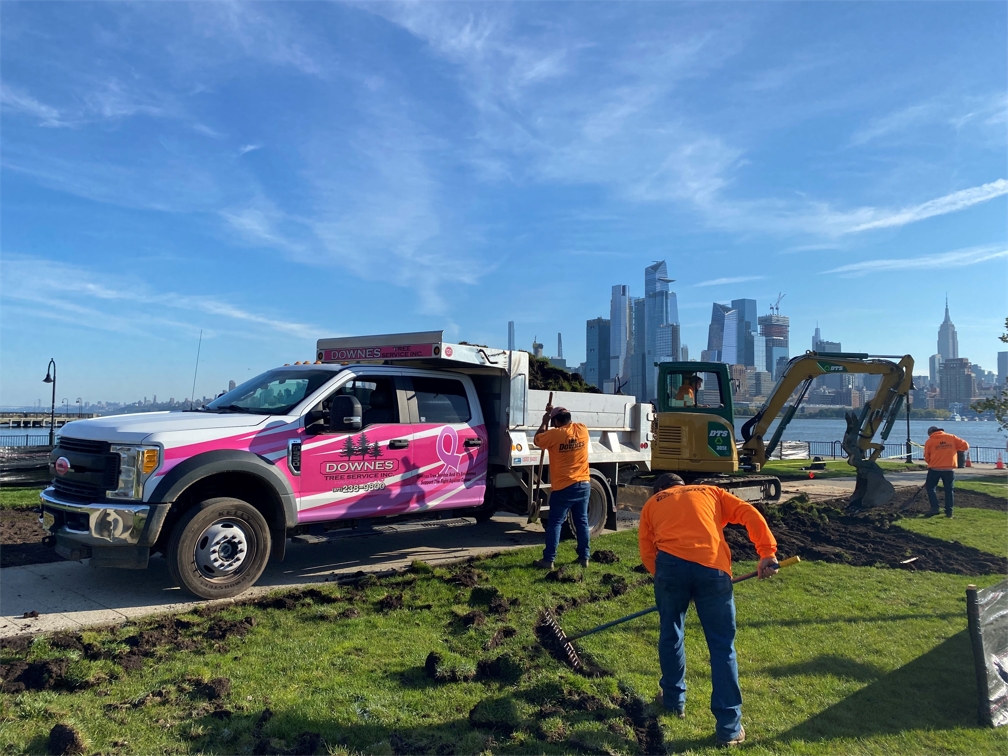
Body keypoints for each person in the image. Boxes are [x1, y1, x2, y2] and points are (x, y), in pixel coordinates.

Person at [638, 473, 779, 747]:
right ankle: (728, 729)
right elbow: (749, 513)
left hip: (670, 569)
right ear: (682, 485)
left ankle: (673, 700)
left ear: (659, 490)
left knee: (671, 633)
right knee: (722, 647)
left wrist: (668, 583)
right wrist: (766, 553)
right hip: (713, 569)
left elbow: (647, 550)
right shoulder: (710, 492)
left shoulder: (653, 503)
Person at [532, 404, 591, 570]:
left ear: (556, 422)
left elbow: (538, 440)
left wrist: (544, 421)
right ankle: (584, 557)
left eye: (553, 422)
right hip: (584, 484)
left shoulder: (554, 435)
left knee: (555, 523)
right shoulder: (583, 429)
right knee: (582, 522)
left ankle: (548, 560)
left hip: (564, 487)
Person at [923, 426, 969, 518]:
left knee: (930, 488)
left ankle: (934, 508)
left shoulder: (930, 441)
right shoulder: (952, 437)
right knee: (949, 490)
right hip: (949, 468)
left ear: (930, 433)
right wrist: (955, 449)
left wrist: (931, 462)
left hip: (935, 468)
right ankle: (949, 512)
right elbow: (965, 446)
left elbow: (926, 456)